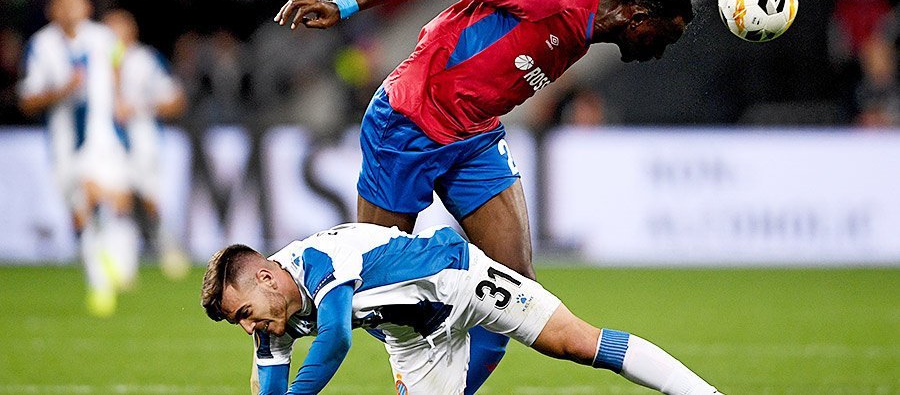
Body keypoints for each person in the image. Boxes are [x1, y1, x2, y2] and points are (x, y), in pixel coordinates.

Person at [273, 0, 693, 391]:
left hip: (475, 137)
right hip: (409, 122)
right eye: (663, 38)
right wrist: (344, 5)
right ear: (638, 17)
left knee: (517, 291)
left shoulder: (582, 34)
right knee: (371, 280)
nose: (659, 52)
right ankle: (273, 315)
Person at [200, 223, 722, 394]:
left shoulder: (318, 260)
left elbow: (336, 339)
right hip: (413, 341)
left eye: (244, 313)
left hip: (462, 278)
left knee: (576, 343)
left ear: (266, 276)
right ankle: (487, 346)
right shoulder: (268, 319)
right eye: (237, 321)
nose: (249, 327)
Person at [18, 0, 139, 316]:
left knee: (116, 200)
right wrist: (62, 91)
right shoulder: (41, 46)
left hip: (105, 137)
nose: (72, 7)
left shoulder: (103, 37)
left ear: (86, 5)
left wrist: (119, 99)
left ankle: (112, 265)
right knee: (82, 207)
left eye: (77, 0)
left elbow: (117, 66)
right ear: (52, 8)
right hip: (65, 143)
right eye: (64, 1)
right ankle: (100, 280)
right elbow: (27, 100)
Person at [103, 8, 191, 280]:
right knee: (118, 200)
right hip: (106, 143)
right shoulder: (94, 62)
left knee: (150, 200)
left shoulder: (146, 60)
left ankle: (167, 245)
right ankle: (122, 263)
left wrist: (139, 106)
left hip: (144, 142)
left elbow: (175, 101)